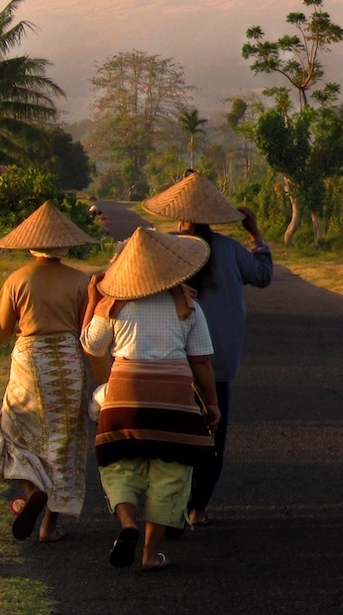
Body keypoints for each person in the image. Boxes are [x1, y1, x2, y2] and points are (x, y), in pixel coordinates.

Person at [0, 201, 98, 542]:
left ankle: (33, 492)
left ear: (31, 244)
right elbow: (89, 331)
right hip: (68, 363)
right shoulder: (81, 281)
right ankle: (49, 527)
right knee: (62, 444)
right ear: (65, 244)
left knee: (15, 430)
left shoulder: (18, 280)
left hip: (31, 364)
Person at [81, 227, 221, 571]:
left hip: (124, 397)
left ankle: (127, 525)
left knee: (118, 463)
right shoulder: (188, 304)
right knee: (169, 473)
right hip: (173, 399)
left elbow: (91, 346)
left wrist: (91, 301)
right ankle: (149, 555)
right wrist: (213, 404)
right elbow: (201, 361)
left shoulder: (112, 304)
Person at [142, 172, 272, 527]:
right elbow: (263, 275)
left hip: (168, 360)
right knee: (212, 432)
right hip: (218, 364)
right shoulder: (230, 249)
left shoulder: (165, 247)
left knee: (170, 433)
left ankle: (167, 504)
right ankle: (198, 506)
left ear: (178, 213)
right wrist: (255, 234)